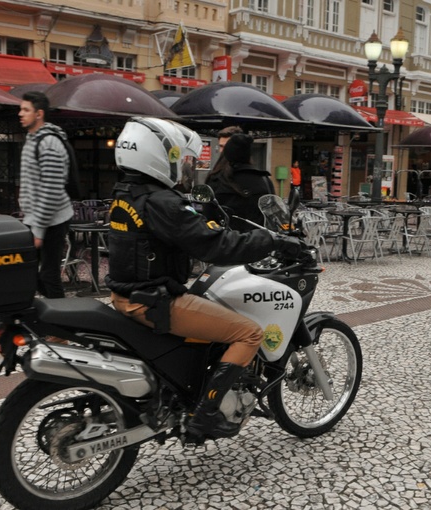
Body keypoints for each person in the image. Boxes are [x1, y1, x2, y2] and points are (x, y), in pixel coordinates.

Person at [106, 117, 302, 440]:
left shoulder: (127, 192)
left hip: (127, 296)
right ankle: (205, 416)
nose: (185, 169)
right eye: (181, 161)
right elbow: (216, 244)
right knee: (249, 333)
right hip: (156, 301)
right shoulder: (163, 203)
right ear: (158, 156)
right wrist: (273, 241)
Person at [18, 91, 73, 299]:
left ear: (39, 113)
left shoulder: (49, 143)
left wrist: (39, 230)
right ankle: (52, 318)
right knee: (30, 273)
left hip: (53, 220)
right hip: (35, 220)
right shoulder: (32, 139)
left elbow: (52, 189)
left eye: (25, 110)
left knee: (49, 275)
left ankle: (63, 326)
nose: (20, 114)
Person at [206, 133, 276, 232]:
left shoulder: (216, 180)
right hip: (257, 242)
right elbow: (273, 216)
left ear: (227, 153)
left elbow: (208, 217)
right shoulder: (264, 181)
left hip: (225, 242)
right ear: (249, 154)